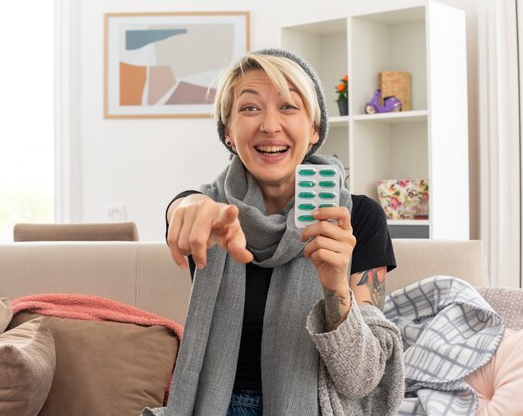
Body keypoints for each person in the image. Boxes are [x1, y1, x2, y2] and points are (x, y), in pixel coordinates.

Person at [142, 48, 404, 416]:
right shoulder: (209, 212)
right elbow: (184, 211)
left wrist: (335, 286)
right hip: (216, 406)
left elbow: (361, 381)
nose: (269, 125)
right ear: (228, 132)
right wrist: (182, 208)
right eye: (249, 108)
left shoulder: (359, 217)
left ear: (314, 130)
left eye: (289, 107)